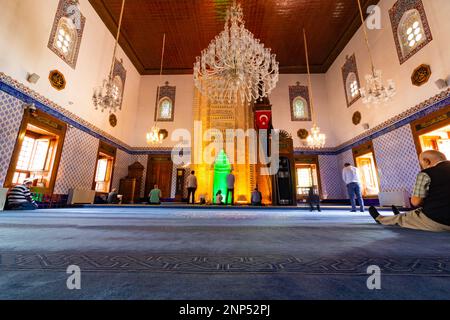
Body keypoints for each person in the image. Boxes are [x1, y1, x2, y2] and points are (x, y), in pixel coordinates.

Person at [369, 150, 450, 232]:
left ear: (426, 161)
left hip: (440, 221)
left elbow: (415, 202)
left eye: (421, 163)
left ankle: (380, 219)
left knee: (403, 218)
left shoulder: (426, 173)